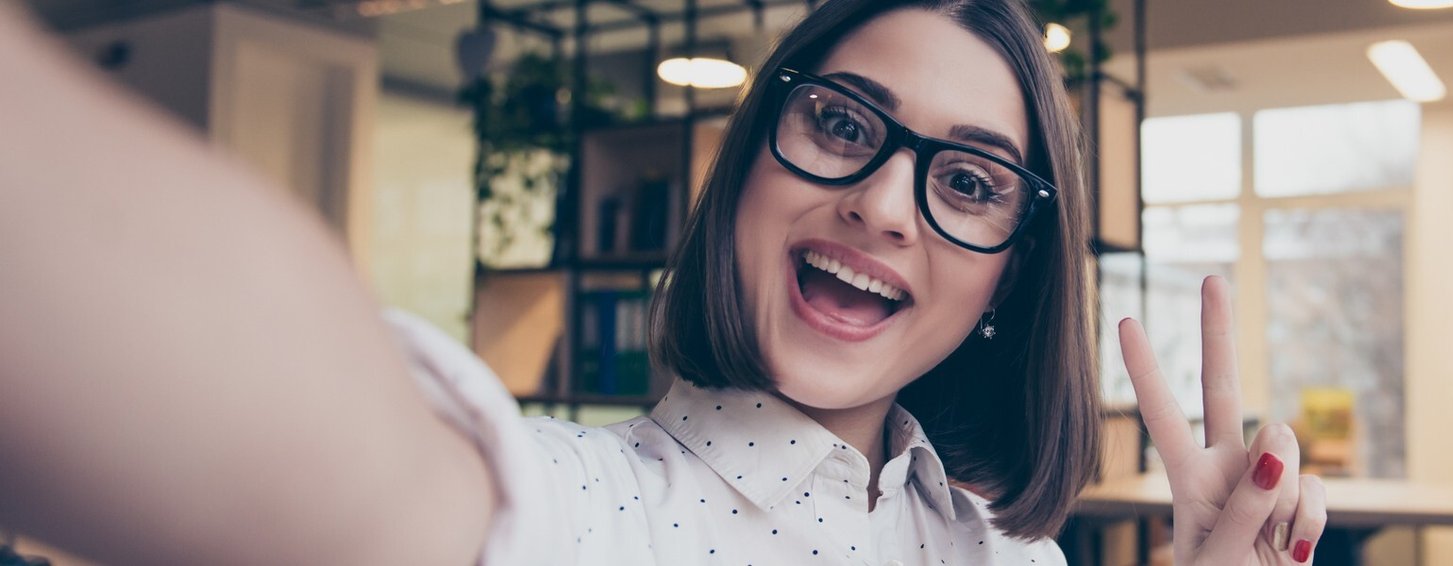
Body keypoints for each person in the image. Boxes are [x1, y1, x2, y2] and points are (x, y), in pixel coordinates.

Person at [0, 0, 1327, 563]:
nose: (878, 201)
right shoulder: (574, 509)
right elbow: (300, 425)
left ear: (1006, 279)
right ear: (744, 169)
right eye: (843, 127)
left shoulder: (1013, 557)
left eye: (968, 182)